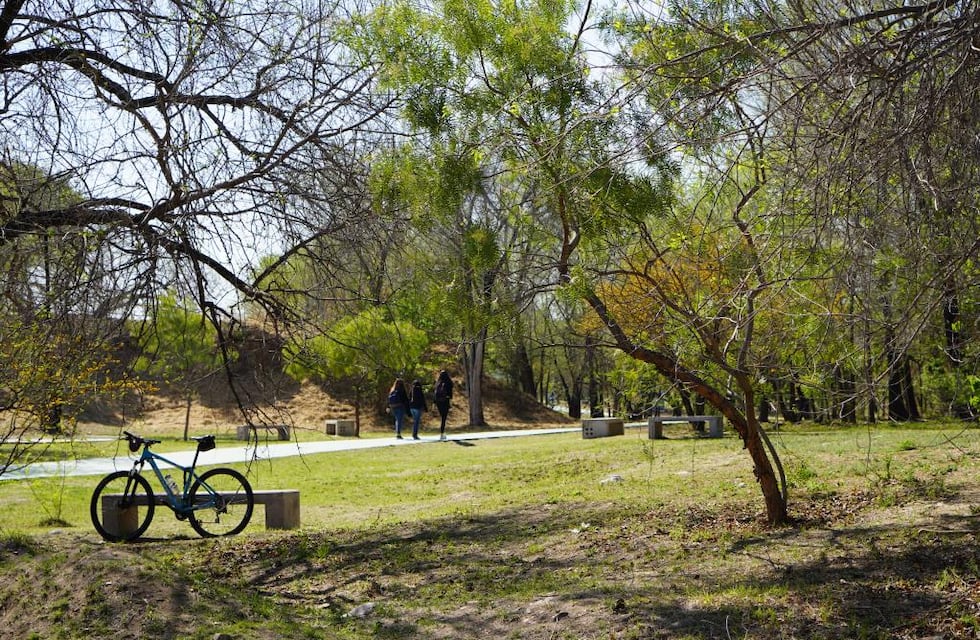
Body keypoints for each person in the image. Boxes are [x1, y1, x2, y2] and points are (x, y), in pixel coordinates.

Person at [433, 369, 453, 441]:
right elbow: (450, 394)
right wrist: (450, 403)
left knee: (442, 417)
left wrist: (434, 403)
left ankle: (442, 432)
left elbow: (435, 394)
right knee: (444, 418)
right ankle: (442, 433)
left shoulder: (437, 383)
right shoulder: (449, 382)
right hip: (445, 401)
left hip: (438, 402)